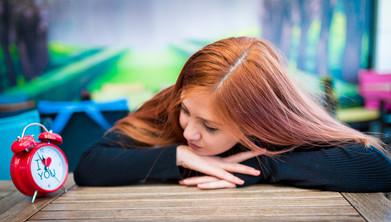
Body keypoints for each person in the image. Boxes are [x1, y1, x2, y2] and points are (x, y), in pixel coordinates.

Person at [74, 37, 391, 192]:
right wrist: (178, 156)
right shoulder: (168, 103)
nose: (189, 132)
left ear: (258, 125)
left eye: (210, 128)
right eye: (186, 111)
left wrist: (261, 165)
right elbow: (89, 166)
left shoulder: (277, 127)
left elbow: (380, 168)